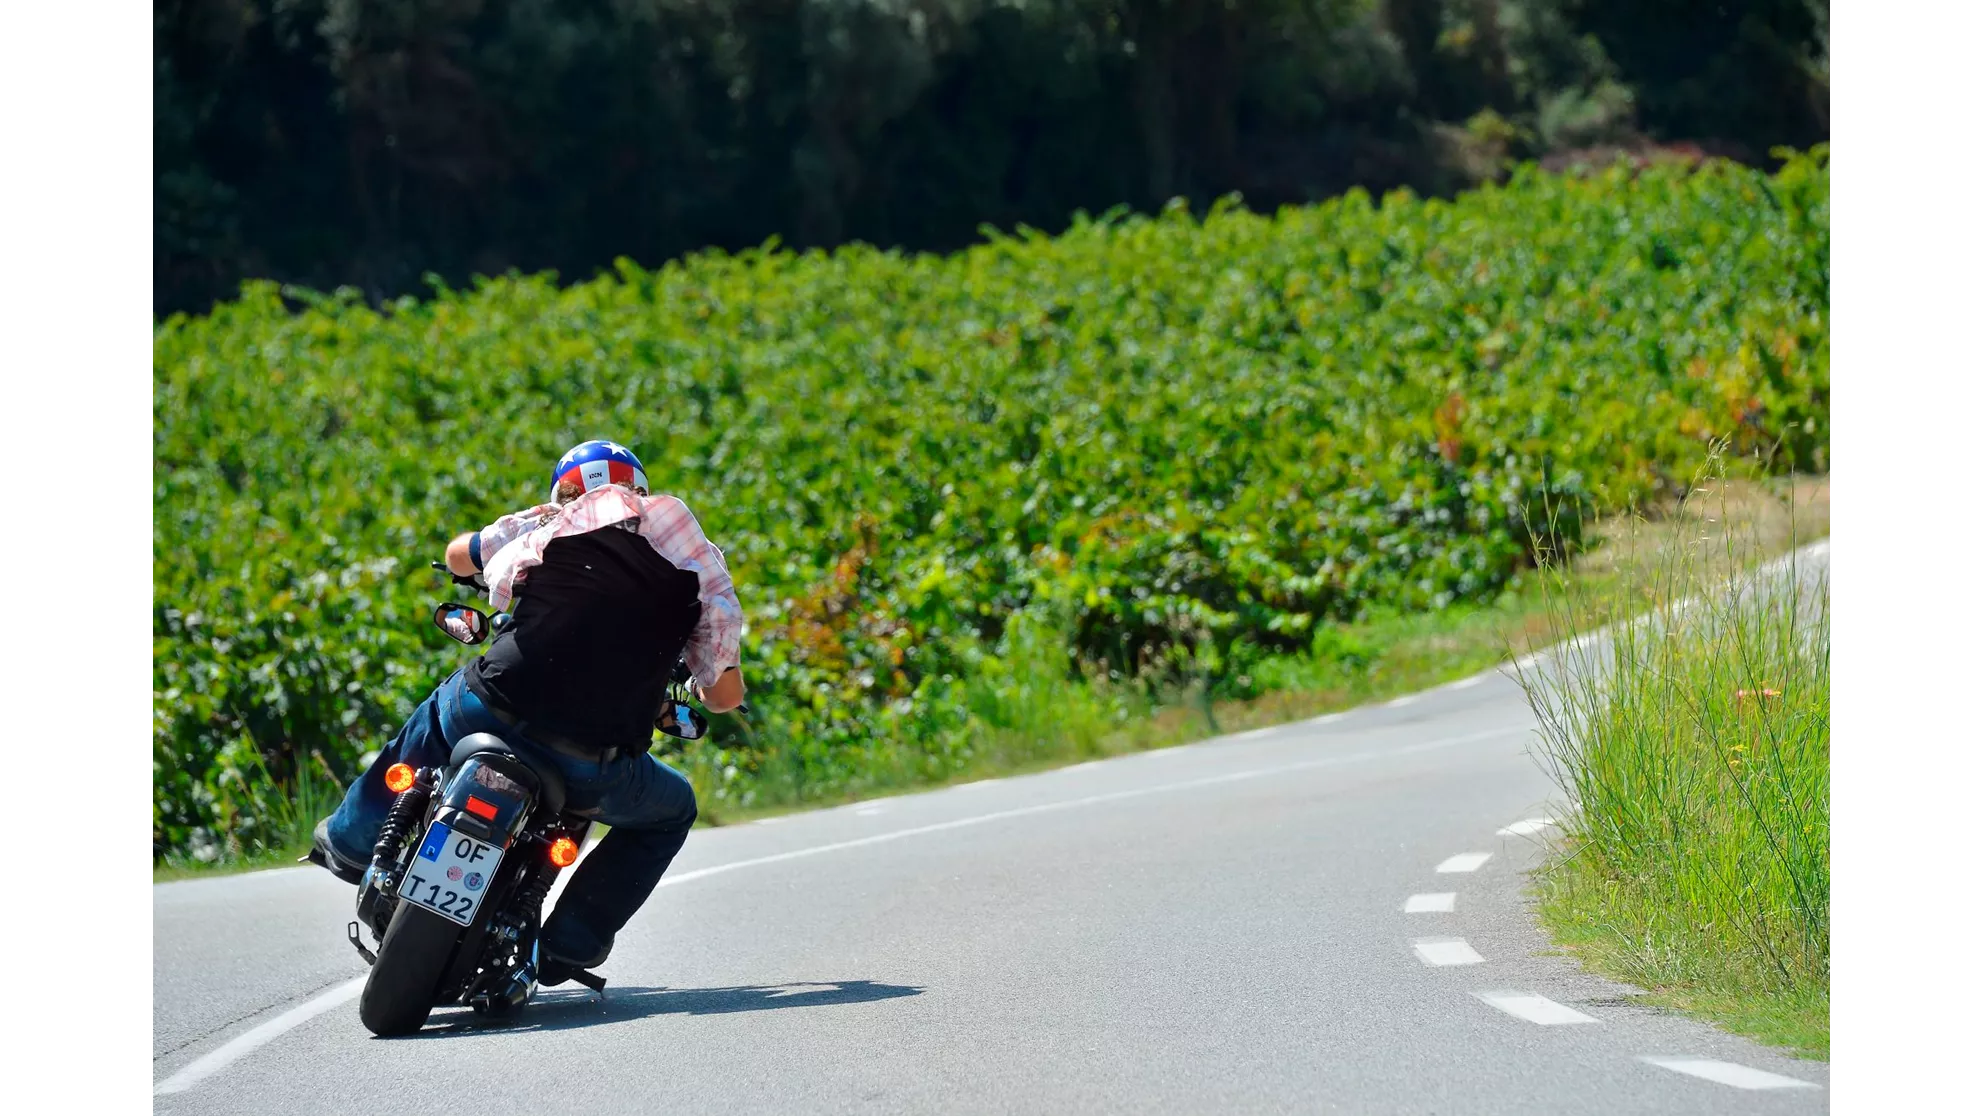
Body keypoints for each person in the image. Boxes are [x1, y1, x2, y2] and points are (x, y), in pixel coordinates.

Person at [310, 438, 745, 984]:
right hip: (595, 764)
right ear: (642, 492)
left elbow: (456, 554)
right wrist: (699, 679)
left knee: (436, 715)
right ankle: (569, 944)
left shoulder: (546, 523)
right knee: (674, 809)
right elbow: (725, 698)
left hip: (488, 712)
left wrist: (486, 566)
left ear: (562, 491)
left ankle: (353, 841)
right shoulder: (695, 566)